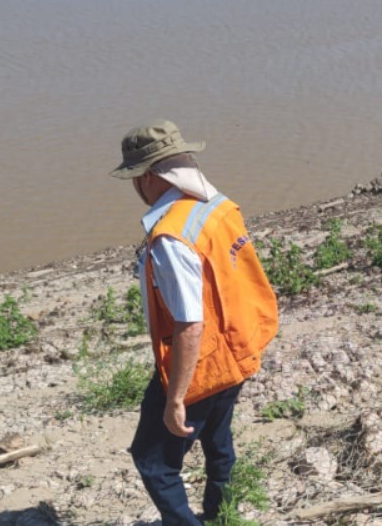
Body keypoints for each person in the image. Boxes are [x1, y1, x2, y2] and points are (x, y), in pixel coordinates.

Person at [111, 119, 279, 525]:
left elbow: (190, 324)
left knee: (153, 461)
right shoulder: (215, 205)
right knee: (218, 441)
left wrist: (175, 400)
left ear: (148, 177)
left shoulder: (170, 237)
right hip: (239, 347)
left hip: (201, 364)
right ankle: (223, 515)